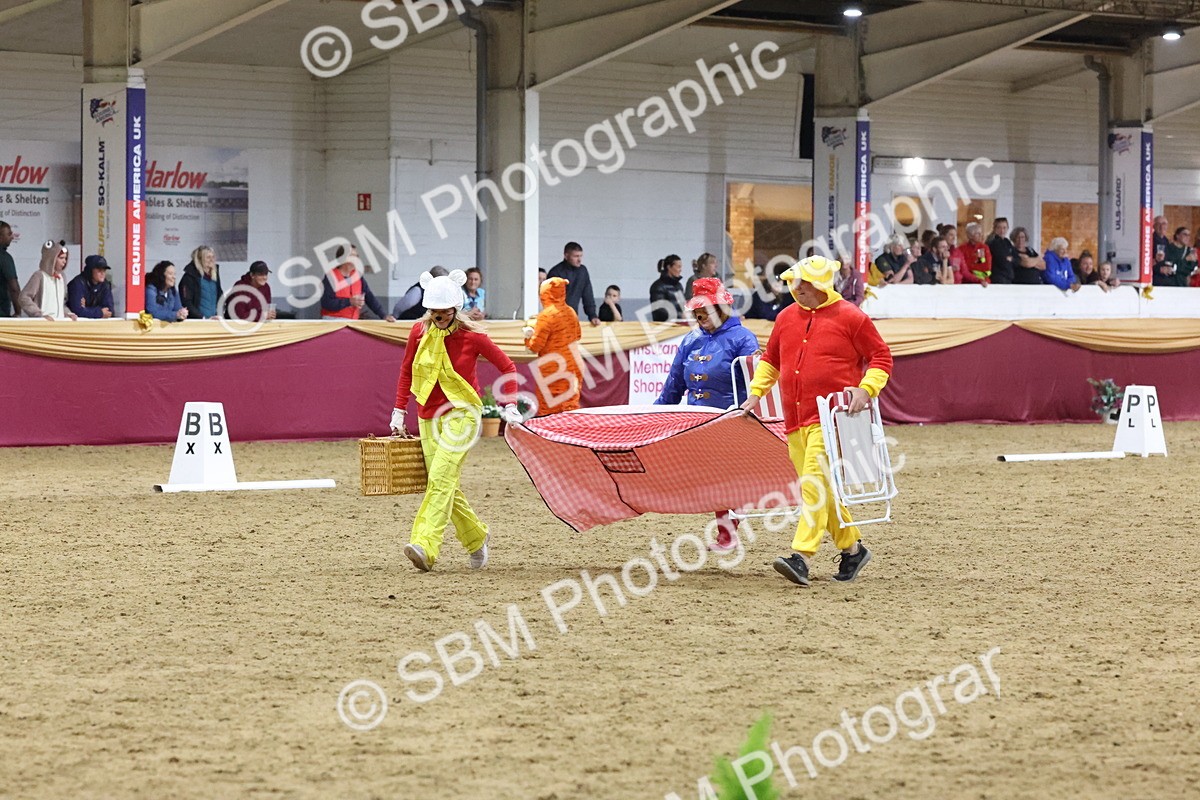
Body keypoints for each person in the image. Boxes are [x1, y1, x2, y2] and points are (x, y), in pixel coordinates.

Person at [741, 255, 892, 588]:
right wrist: (755, 393)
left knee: (812, 484)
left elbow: (881, 357)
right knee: (820, 488)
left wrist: (866, 390)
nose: (796, 288)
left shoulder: (853, 318)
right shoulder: (785, 318)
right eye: (795, 282)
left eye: (803, 283)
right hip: (795, 420)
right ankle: (852, 549)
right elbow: (770, 361)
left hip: (834, 419)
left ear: (820, 285)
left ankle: (802, 556)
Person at [390, 269, 519, 573]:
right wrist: (398, 410)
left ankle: (424, 545)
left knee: (440, 479)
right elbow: (407, 370)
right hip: (427, 417)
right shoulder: (417, 333)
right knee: (444, 483)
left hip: (463, 414)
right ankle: (476, 537)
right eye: (434, 310)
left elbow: (508, 366)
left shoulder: (474, 336)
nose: (439, 315)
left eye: (445, 310)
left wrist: (510, 404)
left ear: (455, 308)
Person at [656, 277, 760, 552]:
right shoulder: (691, 340)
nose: (699, 315)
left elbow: (757, 381)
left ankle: (728, 533)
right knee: (711, 477)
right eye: (696, 310)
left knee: (723, 475)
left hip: (733, 421)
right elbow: (673, 386)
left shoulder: (743, 339)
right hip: (697, 422)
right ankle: (729, 529)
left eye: (706, 309)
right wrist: (652, 419)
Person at [522, 277, 583, 415]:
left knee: (548, 409)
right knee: (569, 407)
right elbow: (578, 335)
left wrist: (528, 336)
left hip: (551, 368)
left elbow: (535, 346)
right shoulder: (571, 312)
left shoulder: (546, 316)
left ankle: (549, 436)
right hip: (572, 366)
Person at [321, 244, 395, 321]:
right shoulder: (331, 277)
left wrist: (383, 315)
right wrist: (349, 301)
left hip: (353, 321)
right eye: (352, 256)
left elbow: (369, 297)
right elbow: (326, 303)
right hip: (333, 321)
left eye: (357, 256)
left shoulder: (358, 277)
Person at [19, 240, 75, 320]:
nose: (64, 261)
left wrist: (68, 313)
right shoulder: (39, 276)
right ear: (51, 259)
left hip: (59, 324)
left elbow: (61, 303)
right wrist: (38, 314)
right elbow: (24, 297)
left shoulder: (62, 277)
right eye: (61, 258)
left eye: (65, 258)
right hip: (43, 325)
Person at [547, 241, 599, 326]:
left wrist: (592, 315)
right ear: (566, 256)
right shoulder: (556, 273)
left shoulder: (583, 271)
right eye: (576, 256)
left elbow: (588, 296)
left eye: (580, 256)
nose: (579, 260)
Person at [179, 245, 223, 320]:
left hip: (214, 320)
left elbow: (219, 296)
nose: (211, 260)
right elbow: (187, 302)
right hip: (197, 322)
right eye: (208, 257)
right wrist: (202, 318)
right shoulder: (189, 277)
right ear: (200, 259)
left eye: (213, 257)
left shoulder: (214, 275)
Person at [649, 254, 686, 322]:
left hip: (680, 324)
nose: (680, 270)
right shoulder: (658, 286)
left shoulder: (679, 286)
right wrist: (680, 316)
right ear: (669, 267)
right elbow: (660, 310)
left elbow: (683, 304)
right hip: (664, 326)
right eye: (678, 267)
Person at [987, 218, 1015, 284]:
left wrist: (1011, 259)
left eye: (1004, 228)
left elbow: (1016, 258)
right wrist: (1009, 259)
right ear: (994, 228)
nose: (1002, 231)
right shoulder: (993, 242)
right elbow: (1002, 260)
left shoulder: (1007, 242)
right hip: (998, 278)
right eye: (999, 228)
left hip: (1008, 277)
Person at [0, 221, 19, 317]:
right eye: (9, 234)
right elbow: (14, 288)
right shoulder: (4, 258)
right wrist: (18, 312)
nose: (12, 237)